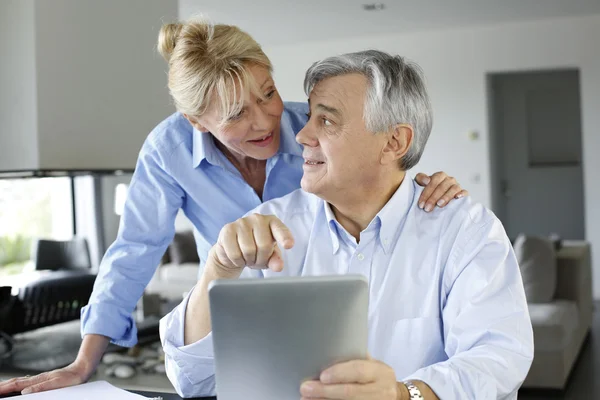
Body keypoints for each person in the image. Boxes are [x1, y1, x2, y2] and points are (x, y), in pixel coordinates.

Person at [0, 21, 466, 396]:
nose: (265, 120)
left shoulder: (309, 125)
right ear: (196, 120)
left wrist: (422, 181)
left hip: (325, 311)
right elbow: (135, 249)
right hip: (236, 319)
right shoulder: (169, 150)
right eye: (236, 113)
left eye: (267, 93)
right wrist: (85, 362)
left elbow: (381, 162)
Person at [160, 50, 534, 399]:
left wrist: (405, 394)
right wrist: (217, 270)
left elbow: (498, 357)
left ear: (394, 142)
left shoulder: (465, 230)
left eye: (326, 120)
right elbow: (192, 378)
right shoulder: (268, 230)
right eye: (308, 117)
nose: (303, 136)